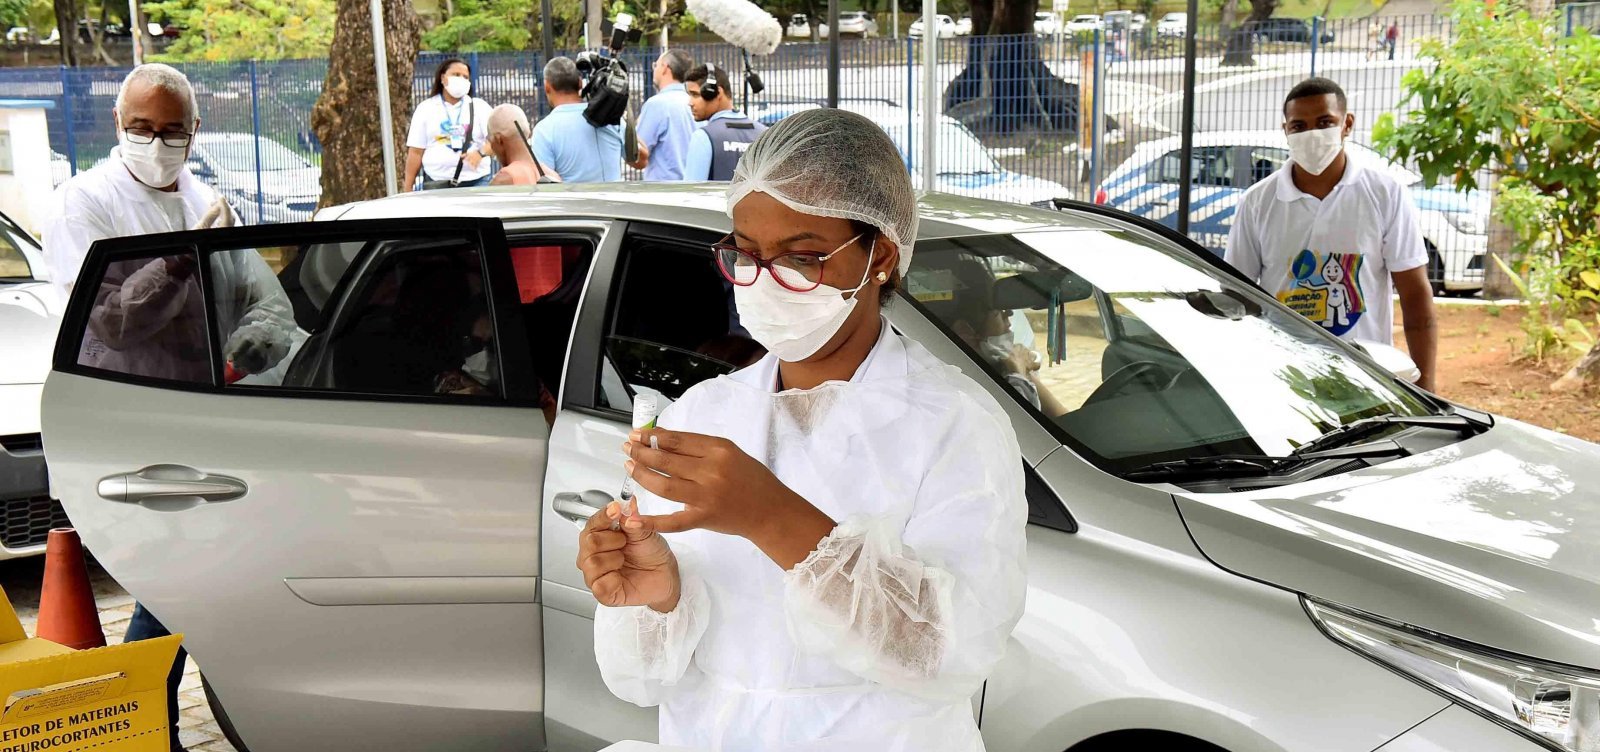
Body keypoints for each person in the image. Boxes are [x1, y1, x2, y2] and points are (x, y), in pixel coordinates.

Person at [579, 108, 1028, 751]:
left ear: (881, 256)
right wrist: (660, 598)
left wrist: (772, 518)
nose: (768, 282)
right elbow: (643, 679)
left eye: (804, 257)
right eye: (747, 254)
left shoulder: (954, 425)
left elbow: (951, 654)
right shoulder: (701, 416)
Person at [44, 63, 296, 752]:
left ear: (194, 132)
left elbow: (260, 299)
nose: (156, 144)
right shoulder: (85, 203)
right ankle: (136, 720)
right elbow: (111, 327)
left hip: (205, 416)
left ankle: (144, 720)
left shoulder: (203, 198)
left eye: (171, 131)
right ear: (118, 125)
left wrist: (261, 337)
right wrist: (179, 263)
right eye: (140, 129)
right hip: (128, 419)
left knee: (186, 580)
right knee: (173, 578)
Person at [1226, 77, 1437, 390]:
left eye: (1325, 122)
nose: (1312, 135)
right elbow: (1236, 296)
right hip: (1284, 377)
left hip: (1365, 374)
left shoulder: (1385, 194)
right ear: (1285, 130)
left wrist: (1427, 387)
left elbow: (1415, 294)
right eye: (1299, 126)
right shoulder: (1258, 202)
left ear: (1347, 124)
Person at [404, 58, 493, 190]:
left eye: (465, 77)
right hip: (437, 182)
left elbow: (497, 140)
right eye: (456, 75)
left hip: (476, 181)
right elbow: (416, 152)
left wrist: (480, 153)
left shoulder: (479, 107)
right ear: (443, 78)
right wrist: (407, 188)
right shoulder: (426, 108)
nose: (461, 79)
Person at [532, 57, 625, 183]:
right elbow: (640, 160)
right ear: (580, 83)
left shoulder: (544, 131)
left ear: (547, 86)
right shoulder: (609, 117)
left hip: (574, 202)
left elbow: (546, 184)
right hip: (615, 200)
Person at [683, 62, 767, 182]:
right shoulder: (765, 134)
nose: (690, 102)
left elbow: (691, 193)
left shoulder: (703, 137)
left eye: (695, 95)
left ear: (717, 92)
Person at [635, 49, 697, 181]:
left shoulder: (656, 105)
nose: (654, 70)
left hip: (663, 190)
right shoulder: (695, 103)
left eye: (655, 65)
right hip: (692, 187)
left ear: (664, 68)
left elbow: (638, 154)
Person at [485, 104, 560, 185]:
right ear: (528, 133)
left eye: (490, 140)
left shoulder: (503, 181)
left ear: (499, 140)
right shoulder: (553, 176)